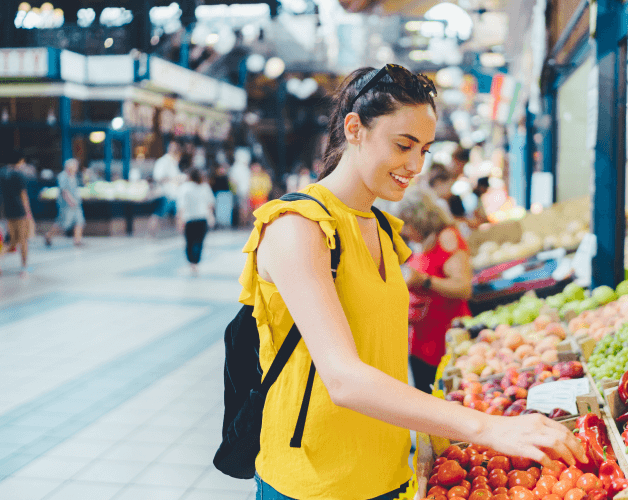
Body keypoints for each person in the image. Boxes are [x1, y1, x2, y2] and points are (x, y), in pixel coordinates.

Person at [238, 64, 584, 500]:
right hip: (314, 483)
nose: (416, 165)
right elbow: (342, 378)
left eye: (424, 150)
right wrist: (487, 427)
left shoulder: (383, 229)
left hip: (388, 475)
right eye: (404, 145)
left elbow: (381, 354)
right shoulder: (297, 227)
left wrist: (433, 429)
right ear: (355, 128)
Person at [398, 190, 472, 394]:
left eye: (405, 224)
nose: (403, 231)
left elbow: (464, 288)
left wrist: (424, 280)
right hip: (422, 343)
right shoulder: (421, 242)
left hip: (445, 340)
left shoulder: (447, 237)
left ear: (418, 219)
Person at [0, 153, 34, 275]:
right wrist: (28, 213)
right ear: (19, 161)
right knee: (23, 239)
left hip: (8, 211)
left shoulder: (3, 174)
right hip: (19, 211)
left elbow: (2, 195)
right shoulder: (19, 175)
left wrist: (2, 214)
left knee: (12, 239)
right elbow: (24, 196)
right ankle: (24, 266)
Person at [176, 168, 215, 276]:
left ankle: (191, 262)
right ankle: (195, 263)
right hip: (202, 218)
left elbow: (181, 206)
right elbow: (210, 204)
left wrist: (179, 221)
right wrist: (211, 216)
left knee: (189, 241)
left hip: (189, 219)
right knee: (199, 241)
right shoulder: (205, 187)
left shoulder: (184, 188)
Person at [44, 158, 85, 247]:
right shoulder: (63, 176)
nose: (76, 168)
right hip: (66, 205)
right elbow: (64, 191)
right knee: (62, 223)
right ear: (68, 166)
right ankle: (48, 235)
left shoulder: (74, 176)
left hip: (76, 204)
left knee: (79, 221)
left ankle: (77, 241)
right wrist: (71, 201)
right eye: (74, 166)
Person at [148, 140, 184, 236]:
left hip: (174, 194)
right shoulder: (163, 161)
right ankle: (151, 235)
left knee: (179, 214)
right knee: (158, 214)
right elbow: (158, 177)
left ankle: (181, 234)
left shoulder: (173, 162)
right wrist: (173, 179)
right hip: (165, 193)